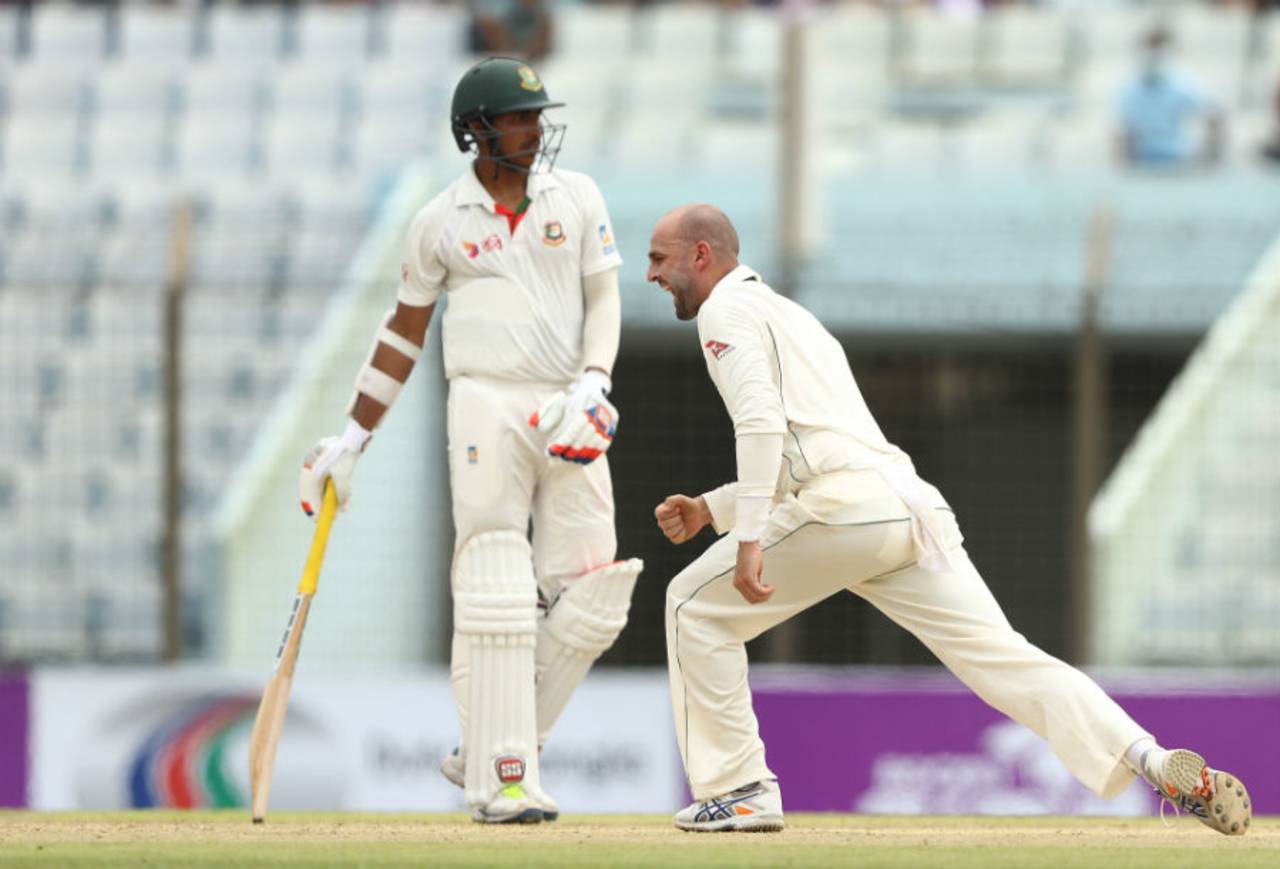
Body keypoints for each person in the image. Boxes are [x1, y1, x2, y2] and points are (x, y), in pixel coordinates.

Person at [646, 203, 1252, 835]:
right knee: (1005, 658)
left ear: (701, 254)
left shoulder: (724, 310)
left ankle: (738, 790)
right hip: (909, 508)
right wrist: (714, 508)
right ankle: (1151, 758)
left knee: (693, 605)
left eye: (659, 259)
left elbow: (763, 423)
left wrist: (746, 537)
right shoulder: (792, 316)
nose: (652, 275)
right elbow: (813, 435)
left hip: (844, 507)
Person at [298, 57, 642, 824]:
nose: (536, 129)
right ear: (477, 131)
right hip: (485, 403)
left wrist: (595, 378)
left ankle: (480, 744)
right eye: (520, 119)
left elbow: (603, 294)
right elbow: (402, 335)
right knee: (495, 581)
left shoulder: (578, 196)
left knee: (596, 596)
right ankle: (505, 780)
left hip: (571, 402)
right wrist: (354, 436)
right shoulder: (440, 222)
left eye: (538, 116)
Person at [1116, 26, 1225, 169]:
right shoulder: (1130, 89)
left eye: (1157, 49)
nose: (1152, 55)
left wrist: (1210, 157)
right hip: (1145, 161)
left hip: (1179, 159)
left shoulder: (1183, 84)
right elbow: (1126, 133)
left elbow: (1214, 115)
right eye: (1149, 49)